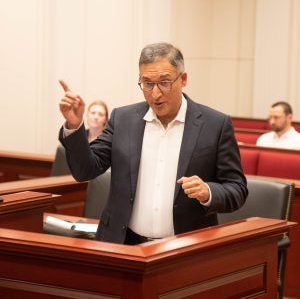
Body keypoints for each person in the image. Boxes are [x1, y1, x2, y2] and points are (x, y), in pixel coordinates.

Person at [58, 42, 248, 245]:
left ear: (183, 79)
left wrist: (208, 192)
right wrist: (75, 125)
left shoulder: (215, 125)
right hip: (124, 243)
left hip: (186, 246)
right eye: (147, 84)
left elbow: (237, 189)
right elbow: (85, 170)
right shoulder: (123, 119)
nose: (155, 94)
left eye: (164, 83)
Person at [50, 100, 109, 176]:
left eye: (100, 114)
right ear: (87, 115)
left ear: (106, 119)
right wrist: (72, 123)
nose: (96, 117)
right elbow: (66, 142)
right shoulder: (78, 135)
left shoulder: (107, 141)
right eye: (93, 113)